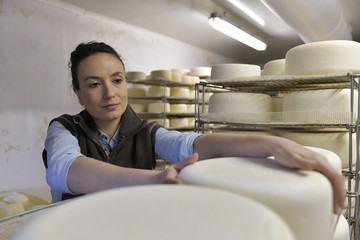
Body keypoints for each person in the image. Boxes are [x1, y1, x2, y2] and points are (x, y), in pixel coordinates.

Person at [43, 41, 345, 213]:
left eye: (117, 80)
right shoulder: (64, 129)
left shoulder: (146, 132)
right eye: (94, 84)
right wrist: (154, 180)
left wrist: (272, 144)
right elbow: (65, 170)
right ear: (78, 92)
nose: (110, 93)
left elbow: (197, 144)